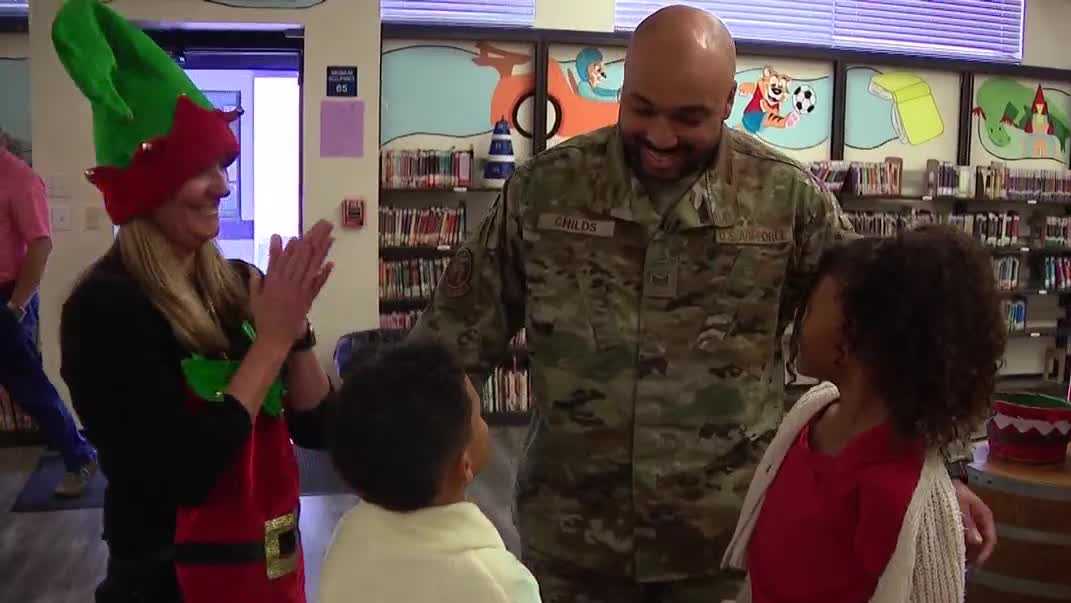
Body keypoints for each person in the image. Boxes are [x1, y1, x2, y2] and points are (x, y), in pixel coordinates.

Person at [411, 4, 996, 601]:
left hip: (721, 544)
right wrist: (407, 480)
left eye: (688, 117)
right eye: (642, 109)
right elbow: (448, 344)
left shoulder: (786, 200)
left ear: (728, 101)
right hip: (570, 542)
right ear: (622, 88)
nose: (661, 137)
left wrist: (935, 473)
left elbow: (891, 335)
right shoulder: (544, 192)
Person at [52, 1, 334, 601]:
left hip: (269, 573)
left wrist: (298, 330)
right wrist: (273, 344)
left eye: (223, 166)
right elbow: (185, 472)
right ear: (145, 184)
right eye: (199, 168)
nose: (224, 186)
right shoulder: (105, 311)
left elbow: (317, 428)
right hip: (167, 581)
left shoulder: (240, 283)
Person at [723, 225, 1006, 602]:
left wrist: (938, 484)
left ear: (855, 330)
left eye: (808, 310)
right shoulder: (811, 413)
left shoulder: (900, 493)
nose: (796, 325)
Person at [320, 339, 541, 603]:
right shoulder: (501, 584)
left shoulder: (343, 546)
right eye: (479, 416)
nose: (485, 426)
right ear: (464, 463)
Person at [0, 127, 97, 497]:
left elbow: (40, 244)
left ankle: (80, 456)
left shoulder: (20, 179)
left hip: (9, 298)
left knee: (30, 388)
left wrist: (17, 305)